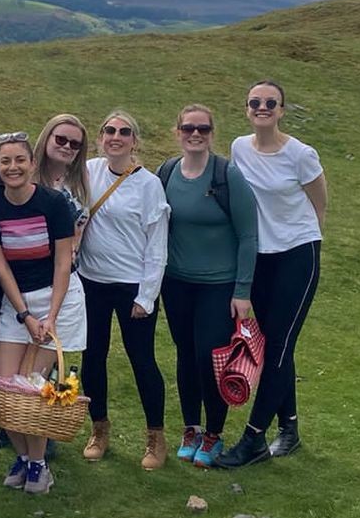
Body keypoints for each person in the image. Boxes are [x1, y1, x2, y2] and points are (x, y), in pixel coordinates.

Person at [225, 79, 326, 466]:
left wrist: (305, 237)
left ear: (282, 110)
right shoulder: (238, 147)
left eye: (270, 102)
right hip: (260, 257)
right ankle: (290, 427)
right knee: (274, 344)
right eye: (255, 102)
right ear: (247, 109)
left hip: (297, 256)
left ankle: (253, 439)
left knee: (279, 347)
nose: (262, 107)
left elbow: (320, 201)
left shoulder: (301, 154)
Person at [0, 132, 84, 496]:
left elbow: (62, 262)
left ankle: (39, 466)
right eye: (5, 161)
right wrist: (25, 314)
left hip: (59, 300)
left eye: (19, 160)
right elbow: (0, 266)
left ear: (31, 163)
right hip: (17, 304)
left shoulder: (53, 203)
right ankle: (25, 458)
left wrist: (50, 316)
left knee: (32, 387)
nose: (12, 168)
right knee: (5, 388)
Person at [155, 104, 258, 468]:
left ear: (212, 133)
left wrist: (242, 291)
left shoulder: (228, 175)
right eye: (187, 128)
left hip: (219, 284)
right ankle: (191, 429)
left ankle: (213, 433)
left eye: (202, 128)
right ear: (177, 131)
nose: (194, 134)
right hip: (177, 282)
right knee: (185, 354)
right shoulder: (166, 172)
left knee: (208, 358)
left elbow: (249, 236)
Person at [76, 109, 171, 467]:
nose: (116, 137)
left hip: (132, 286)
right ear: (100, 137)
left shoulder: (148, 185)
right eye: (109, 130)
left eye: (124, 132)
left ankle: (155, 437)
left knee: (142, 359)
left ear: (135, 141)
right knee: (93, 357)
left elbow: (156, 245)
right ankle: (99, 429)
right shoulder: (89, 170)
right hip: (91, 281)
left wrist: (146, 296)